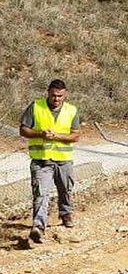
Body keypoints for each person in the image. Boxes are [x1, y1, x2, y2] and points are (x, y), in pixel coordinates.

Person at [19, 79, 80, 243]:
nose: (56, 99)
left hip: (63, 160)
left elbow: (76, 135)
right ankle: (38, 227)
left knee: (66, 189)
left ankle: (66, 214)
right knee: (41, 193)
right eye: (53, 95)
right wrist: (40, 134)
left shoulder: (71, 110)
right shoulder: (36, 106)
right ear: (48, 92)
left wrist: (58, 137)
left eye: (60, 96)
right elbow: (23, 129)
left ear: (65, 94)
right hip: (41, 160)